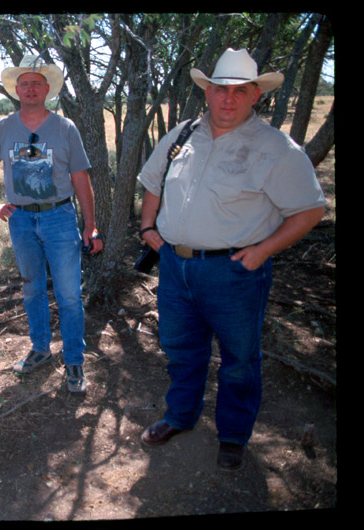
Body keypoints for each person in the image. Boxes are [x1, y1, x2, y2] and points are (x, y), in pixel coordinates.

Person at [136, 48, 326, 471]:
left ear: (255, 95)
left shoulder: (276, 148)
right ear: (208, 92)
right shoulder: (182, 134)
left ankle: (233, 435)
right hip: (175, 266)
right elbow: (153, 180)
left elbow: (311, 209)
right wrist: (149, 229)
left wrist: (261, 252)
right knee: (181, 350)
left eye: (240, 91)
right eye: (221, 90)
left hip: (235, 273)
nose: (228, 99)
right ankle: (179, 417)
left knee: (240, 359)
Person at [0, 55, 103, 395]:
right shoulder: (2, 128)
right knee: (32, 290)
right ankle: (41, 349)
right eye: (24, 84)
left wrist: (91, 225)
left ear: (47, 89)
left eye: (36, 83)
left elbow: (80, 178)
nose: (30, 89)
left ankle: (73, 359)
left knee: (69, 294)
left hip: (59, 217)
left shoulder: (64, 128)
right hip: (21, 220)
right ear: (17, 90)